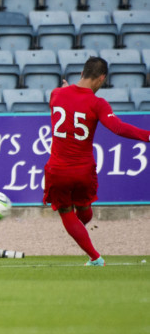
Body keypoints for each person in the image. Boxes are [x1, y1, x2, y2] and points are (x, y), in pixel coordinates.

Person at [44, 57, 150, 266]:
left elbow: (66, 100)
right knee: (84, 208)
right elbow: (118, 128)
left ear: (82, 73)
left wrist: (66, 89)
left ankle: (95, 257)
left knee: (66, 212)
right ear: (101, 78)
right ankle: (80, 227)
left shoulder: (56, 94)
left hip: (58, 169)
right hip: (84, 171)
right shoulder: (97, 103)